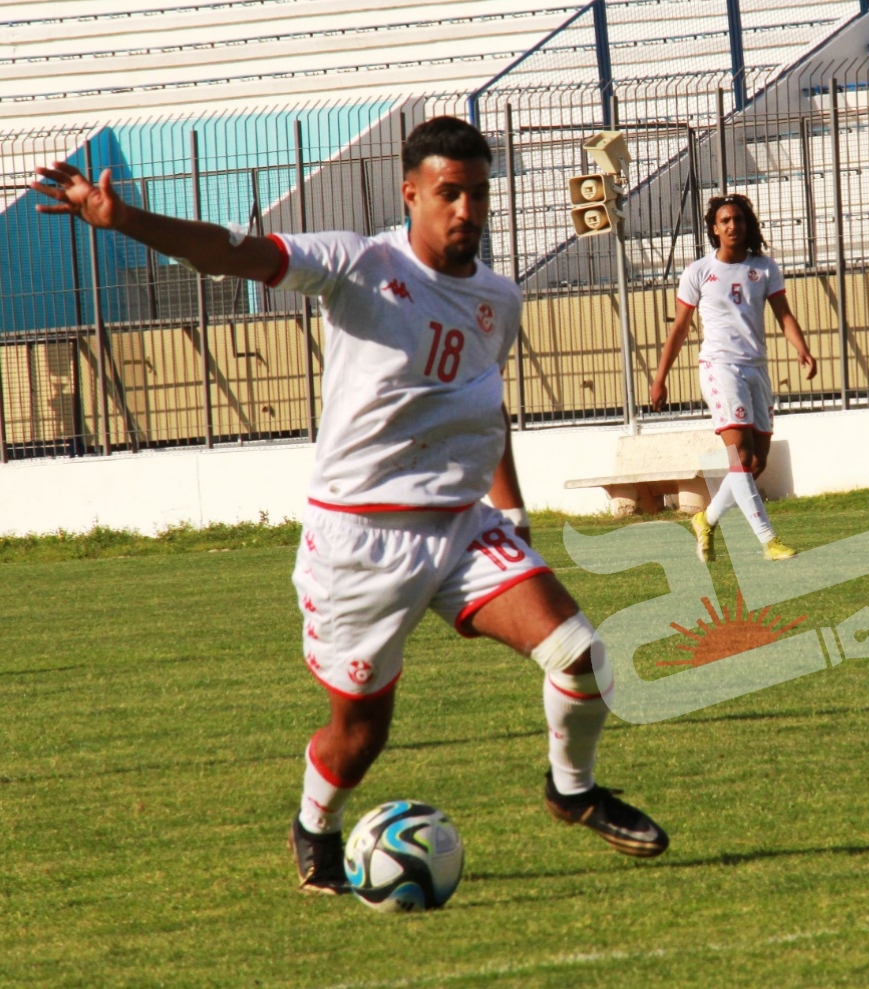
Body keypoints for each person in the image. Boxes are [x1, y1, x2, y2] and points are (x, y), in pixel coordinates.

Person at [32, 116, 669, 894]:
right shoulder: (357, 265)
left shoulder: (499, 297)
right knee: (360, 736)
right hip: (361, 543)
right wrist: (124, 219)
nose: (466, 209)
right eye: (449, 194)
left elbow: (482, 406)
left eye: (477, 193)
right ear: (412, 195)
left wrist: (515, 511)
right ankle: (315, 821)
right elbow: (233, 253)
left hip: (463, 527)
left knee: (581, 654)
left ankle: (572, 791)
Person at [647, 193, 817, 563]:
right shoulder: (698, 272)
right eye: (724, 220)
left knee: (756, 463)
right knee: (739, 456)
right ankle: (768, 540)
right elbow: (680, 328)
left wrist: (801, 347)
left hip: (756, 368)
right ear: (714, 228)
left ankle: (704, 520)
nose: (732, 226)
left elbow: (783, 314)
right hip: (719, 367)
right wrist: (660, 378)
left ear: (747, 224)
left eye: (737, 219)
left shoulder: (765, 268)